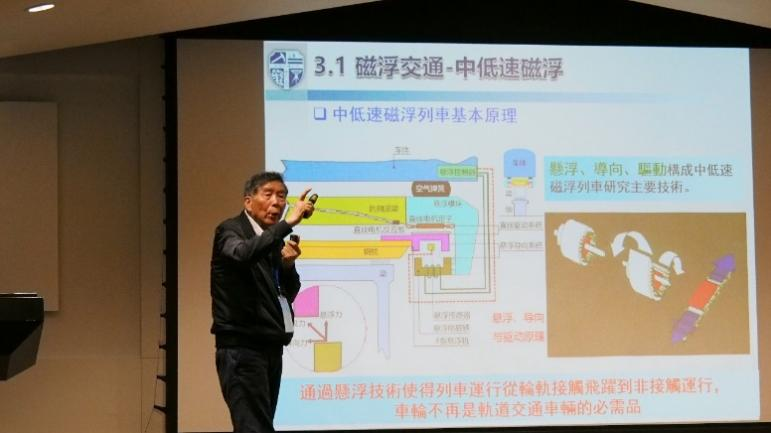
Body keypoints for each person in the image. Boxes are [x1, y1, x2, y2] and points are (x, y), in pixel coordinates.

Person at [210, 171, 314, 433]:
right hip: (242, 348)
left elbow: (286, 294)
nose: (276, 202)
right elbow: (242, 254)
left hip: (270, 347)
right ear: (248, 201)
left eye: (282, 196)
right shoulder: (230, 231)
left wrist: (287, 266)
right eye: (268, 194)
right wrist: (288, 223)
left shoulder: (273, 240)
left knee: (260, 426)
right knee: (254, 428)